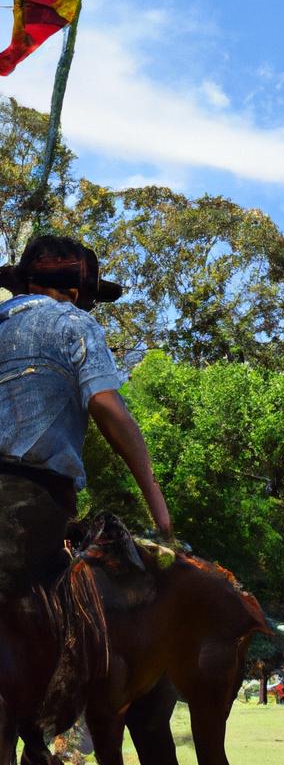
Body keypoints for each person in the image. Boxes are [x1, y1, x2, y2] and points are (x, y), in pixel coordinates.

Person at [0, 236, 171, 615]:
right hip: (33, 500)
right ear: (75, 293)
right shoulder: (74, 322)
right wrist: (159, 509)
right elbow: (106, 406)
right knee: (92, 616)